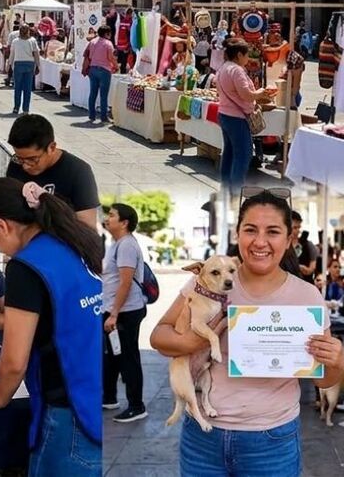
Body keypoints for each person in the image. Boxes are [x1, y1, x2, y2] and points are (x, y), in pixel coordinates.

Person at [151, 190, 344, 476]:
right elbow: (158, 337)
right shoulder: (208, 282)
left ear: (289, 239)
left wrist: (337, 360)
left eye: (273, 232)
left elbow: (323, 379)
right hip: (202, 437)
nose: (260, 241)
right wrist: (193, 341)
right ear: (238, 234)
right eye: (250, 230)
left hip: (271, 440)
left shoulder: (306, 296)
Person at [0, 178, 103, 476]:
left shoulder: (26, 266)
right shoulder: (72, 241)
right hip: (95, 396)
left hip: (69, 413)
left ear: (2, 225)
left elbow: (14, 362)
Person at [6, 114, 100, 229]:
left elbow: (87, 226)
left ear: (51, 147)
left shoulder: (79, 171)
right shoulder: (16, 164)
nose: (25, 166)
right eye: (20, 159)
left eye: (32, 159)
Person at [101, 203, 149, 424]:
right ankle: (109, 397)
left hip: (125, 312)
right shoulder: (117, 243)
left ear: (124, 223)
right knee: (113, 355)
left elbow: (125, 282)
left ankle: (136, 406)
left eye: (112, 215)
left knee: (128, 357)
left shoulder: (127, 245)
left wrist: (114, 314)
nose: (107, 218)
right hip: (115, 309)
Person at [217, 38, 277, 190]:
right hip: (236, 117)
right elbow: (247, 95)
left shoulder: (223, 68)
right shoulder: (236, 70)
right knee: (243, 154)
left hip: (224, 114)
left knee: (229, 152)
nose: (248, 58)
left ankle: (226, 188)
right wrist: (261, 92)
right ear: (239, 55)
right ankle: (236, 191)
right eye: (246, 54)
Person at [82, 25, 115, 124]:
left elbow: (87, 55)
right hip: (104, 70)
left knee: (93, 93)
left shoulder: (92, 42)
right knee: (103, 95)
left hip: (93, 69)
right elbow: (110, 57)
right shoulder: (108, 43)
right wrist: (116, 65)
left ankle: (91, 115)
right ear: (107, 33)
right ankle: (103, 117)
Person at [10, 24, 41, 115]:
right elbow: (36, 54)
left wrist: (10, 64)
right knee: (27, 88)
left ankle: (16, 107)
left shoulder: (15, 41)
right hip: (29, 64)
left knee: (18, 87)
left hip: (18, 63)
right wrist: (38, 65)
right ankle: (26, 109)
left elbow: (12, 54)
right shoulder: (32, 40)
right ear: (28, 31)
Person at [291, 211, 320, 285]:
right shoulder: (282, 245)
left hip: (305, 284)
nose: (298, 231)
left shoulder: (308, 245)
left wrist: (304, 269)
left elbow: (311, 268)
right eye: (294, 228)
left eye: (299, 227)